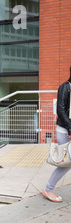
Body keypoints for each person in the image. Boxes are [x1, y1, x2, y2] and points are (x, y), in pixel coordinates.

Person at [43, 66, 71, 202]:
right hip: (65, 131)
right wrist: (70, 128)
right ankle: (48, 189)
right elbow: (60, 110)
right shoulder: (65, 87)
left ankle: (49, 188)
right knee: (66, 162)